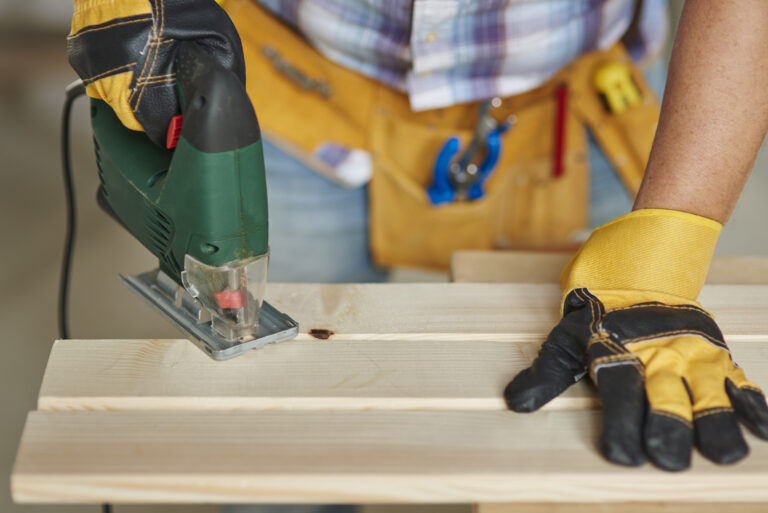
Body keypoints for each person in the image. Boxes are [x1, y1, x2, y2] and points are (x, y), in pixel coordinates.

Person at [67, 0, 768, 476]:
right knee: (274, 451)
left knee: (572, 452)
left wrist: (661, 252)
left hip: (576, 102)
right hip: (289, 85)